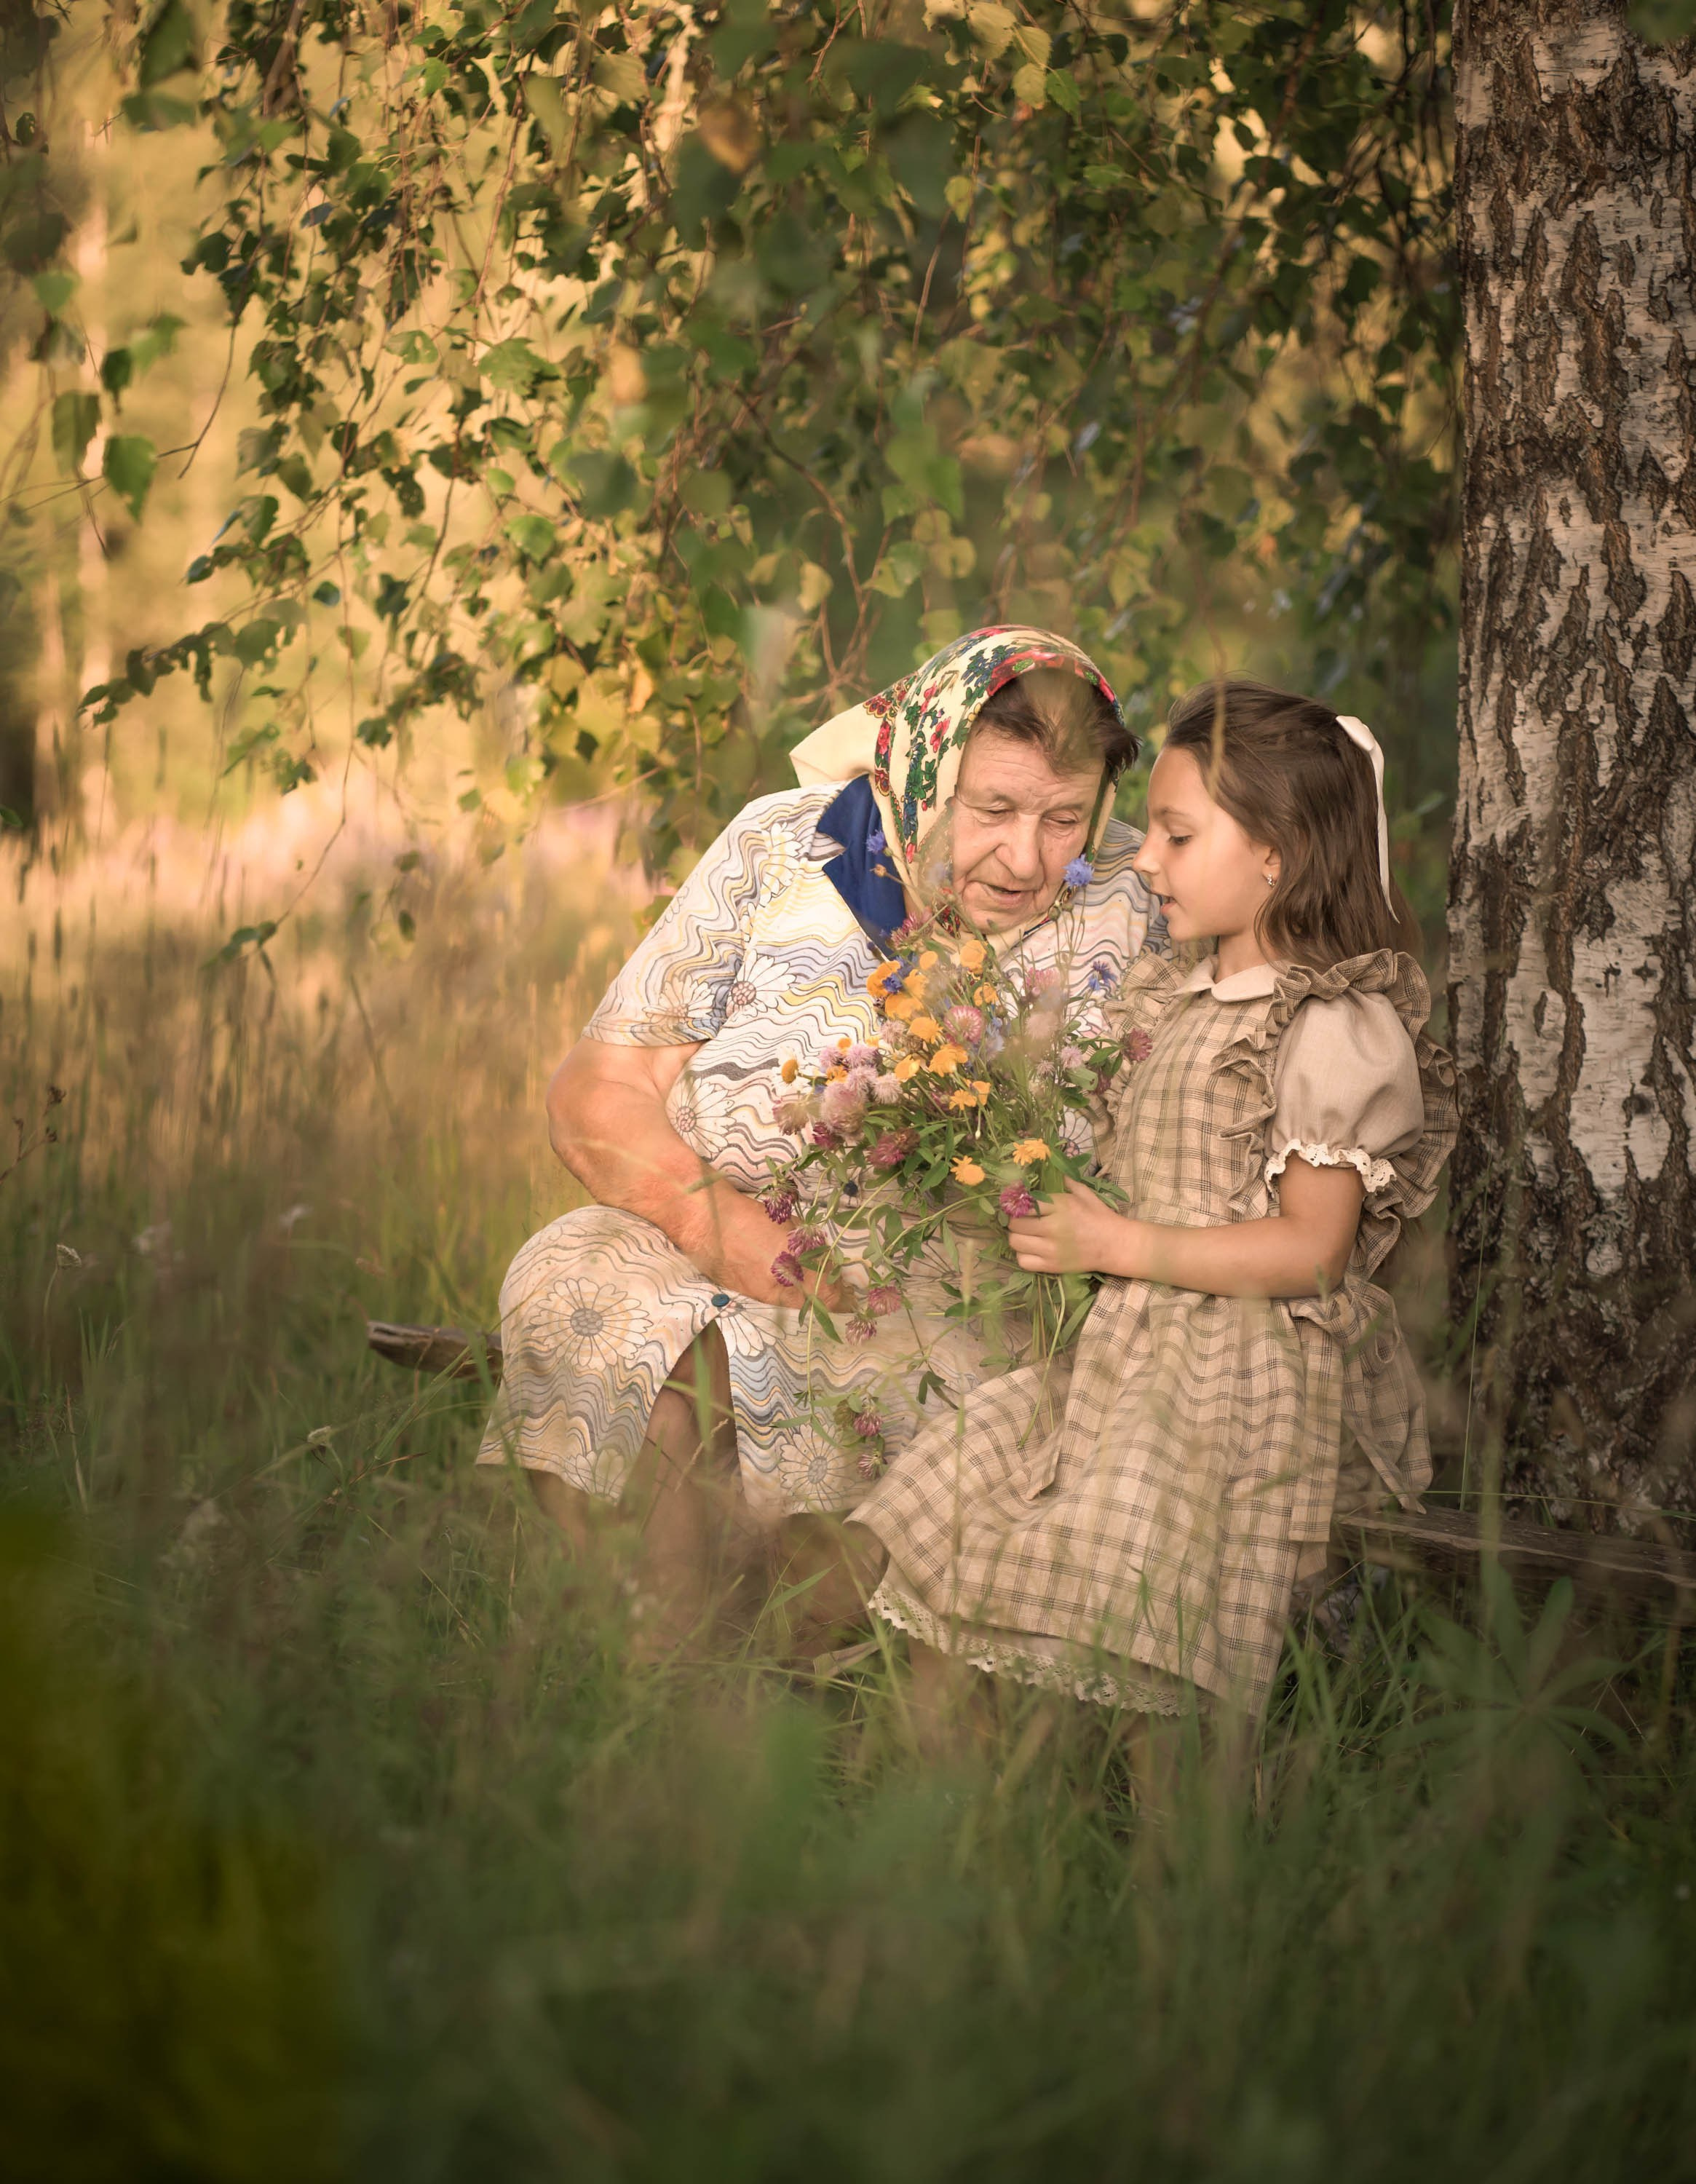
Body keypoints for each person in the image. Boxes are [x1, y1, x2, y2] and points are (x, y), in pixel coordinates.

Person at [478, 626, 1162, 1654]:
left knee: (770, 1381)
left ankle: (744, 1674)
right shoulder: (784, 845)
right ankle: (665, 1672)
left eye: (1065, 818)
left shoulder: (1134, 899)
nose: (1027, 858)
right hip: (702, 1231)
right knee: (585, 1290)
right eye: (992, 810)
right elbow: (599, 1090)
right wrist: (716, 1228)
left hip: (952, 1294)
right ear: (927, 774)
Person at [853, 678, 1458, 1724]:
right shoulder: (1174, 996)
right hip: (1133, 1344)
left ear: (1276, 856)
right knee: (954, 1486)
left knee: (1125, 1542)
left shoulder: (1328, 1022)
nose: (1144, 859)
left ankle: (1174, 1795)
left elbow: (1314, 1251)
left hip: (1246, 1367)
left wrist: (1115, 1241)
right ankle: (958, 1780)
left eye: (1177, 837)